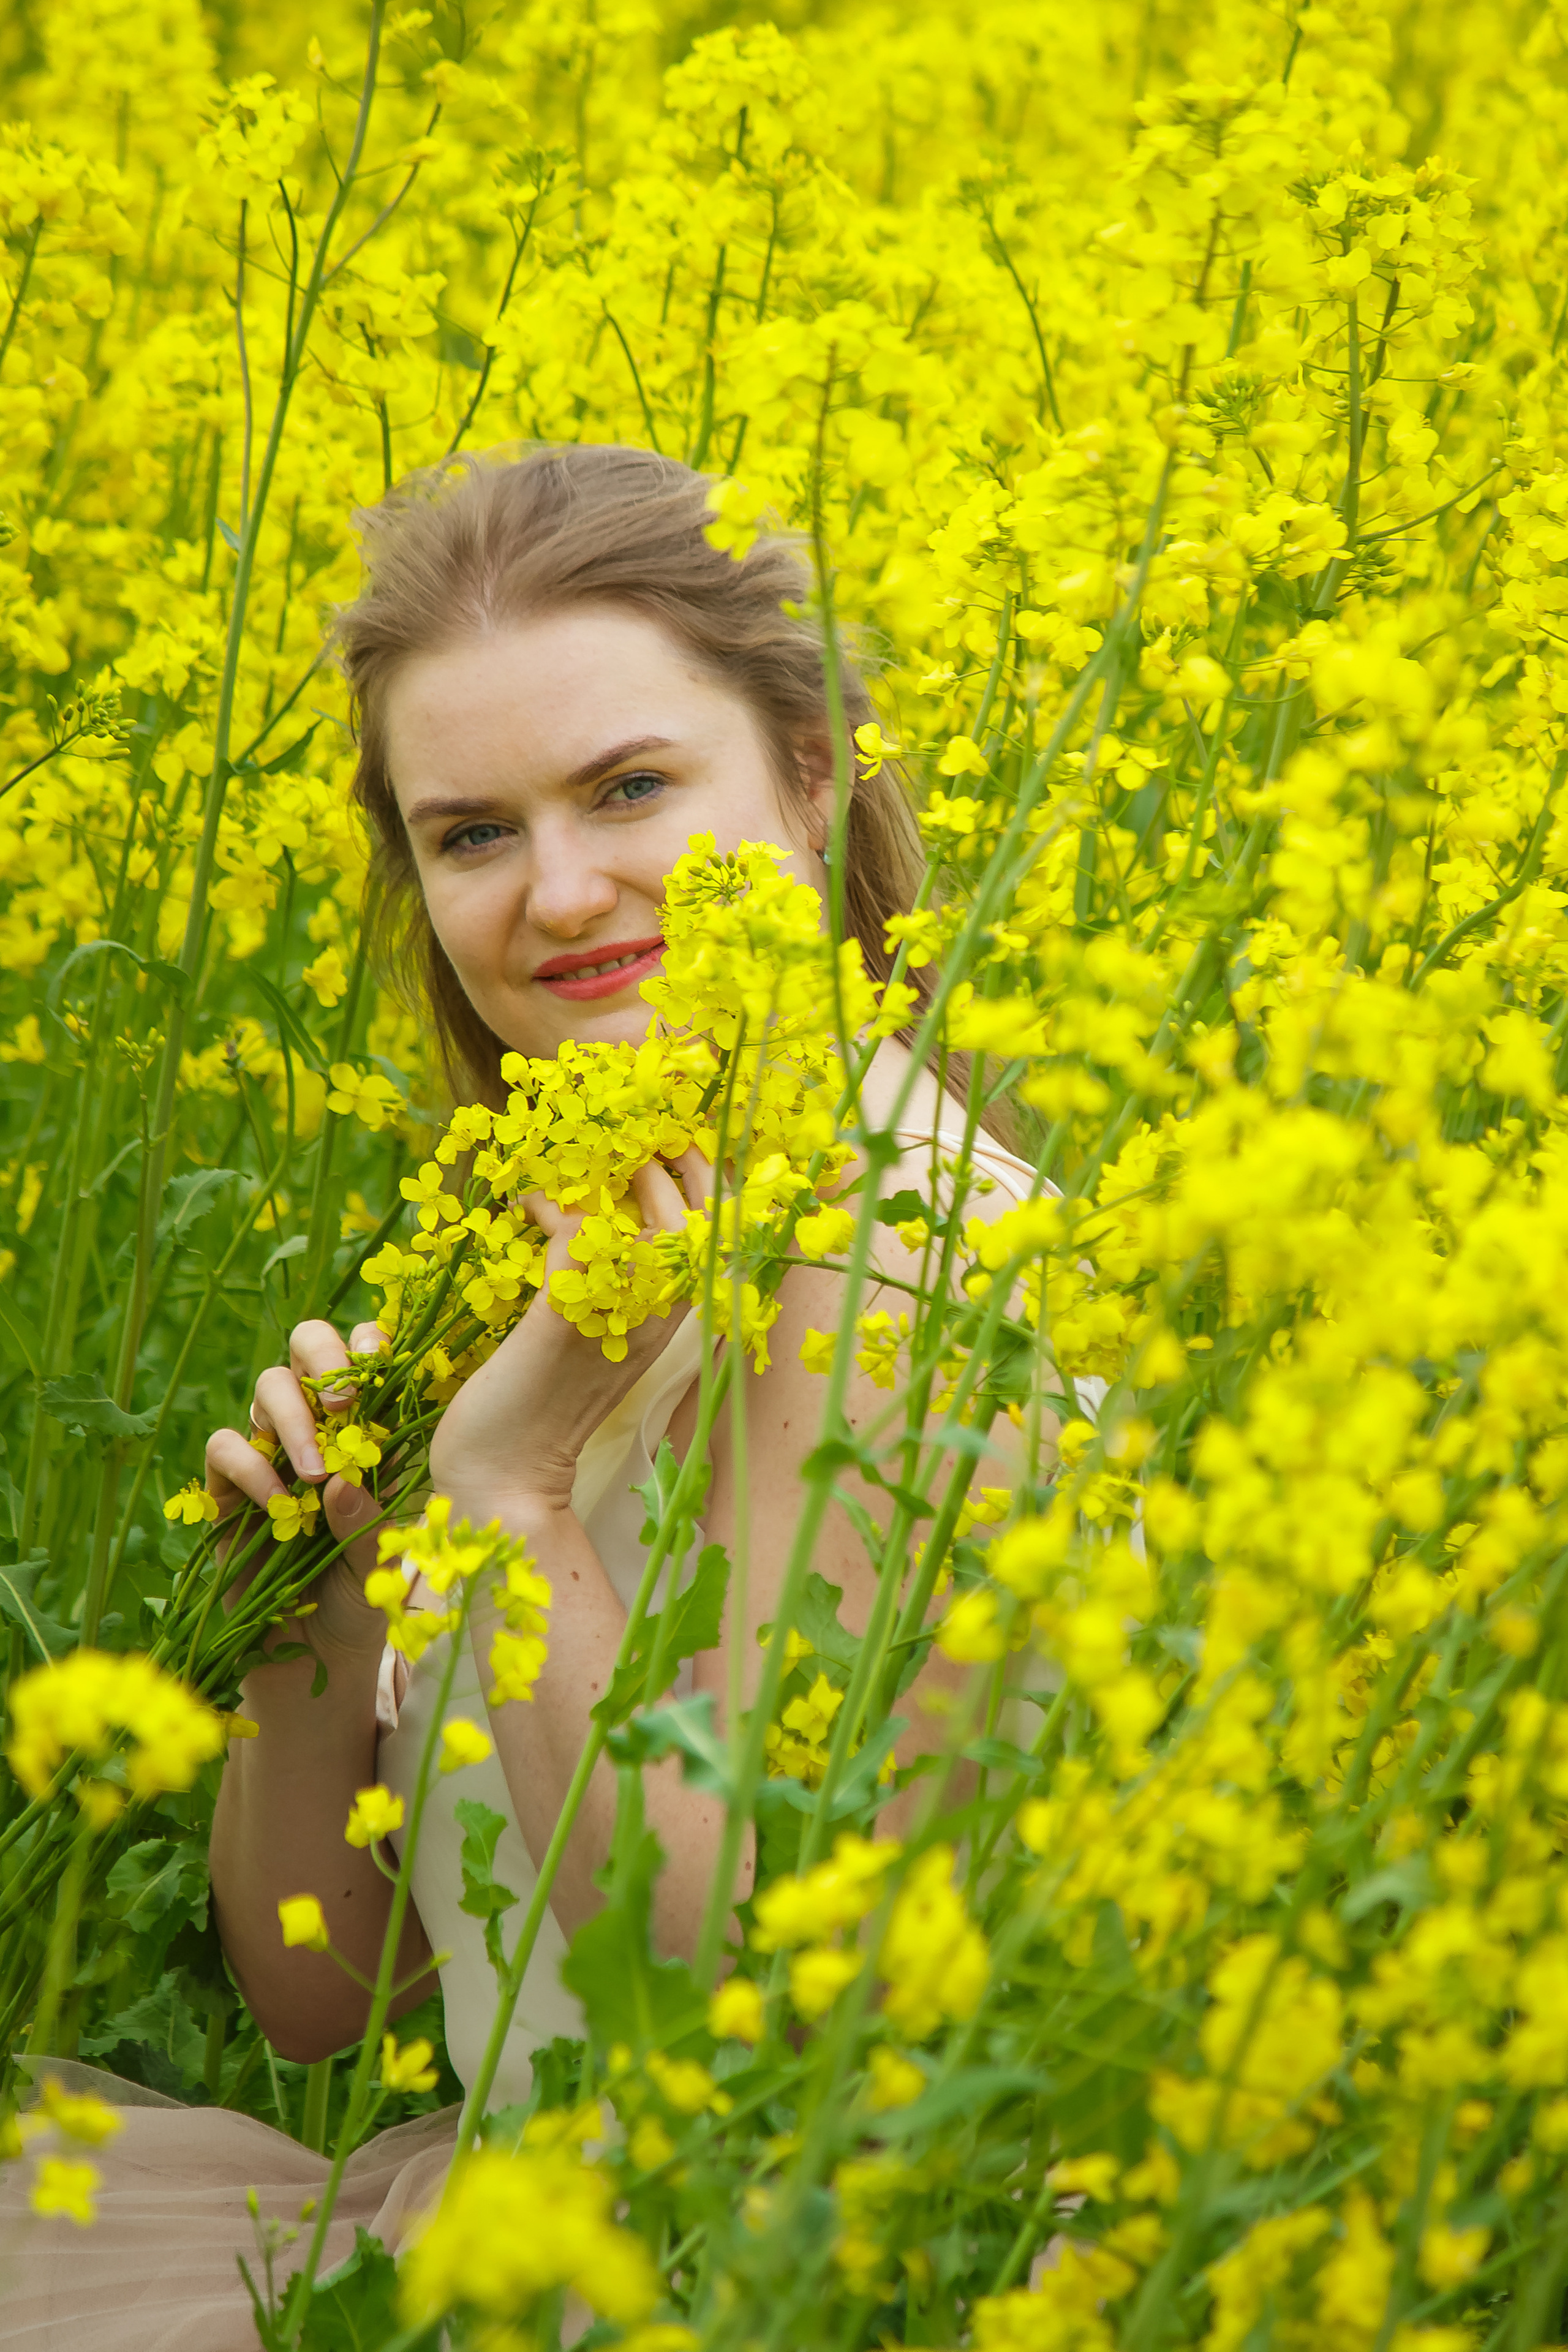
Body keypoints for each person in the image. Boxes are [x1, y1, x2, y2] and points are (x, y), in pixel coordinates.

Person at [0, 446, 1048, 2348]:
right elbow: (339, 1994)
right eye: (471, 833)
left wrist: (508, 1503)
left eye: (633, 787)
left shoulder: (914, 1291)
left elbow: (743, 2033)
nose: (562, 895)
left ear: (812, 774)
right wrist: (321, 1605)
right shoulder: (545, 1244)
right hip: (489, 2210)